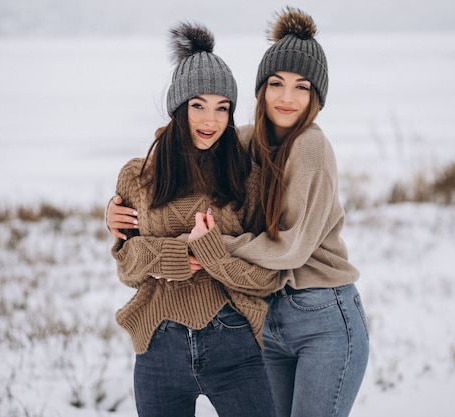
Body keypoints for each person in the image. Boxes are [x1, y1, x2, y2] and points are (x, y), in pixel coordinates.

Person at [107, 8, 369, 417]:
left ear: (316, 96)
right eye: (276, 83)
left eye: (301, 87)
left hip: (321, 311)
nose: (286, 97)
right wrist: (117, 206)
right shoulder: (247, 143)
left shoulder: (311, 150)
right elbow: (193, 143)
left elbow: (288, 251)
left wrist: (204, 250)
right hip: (271, 320)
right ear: (261, 89)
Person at [110, 22, 278, 417]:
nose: (210, 120)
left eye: (222, 108)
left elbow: (268, 276)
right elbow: (127, 268)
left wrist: (212, 255)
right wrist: (174, 255)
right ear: (178, 107)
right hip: (159, 349)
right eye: (198, 105)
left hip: (235, 344)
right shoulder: (138, 176)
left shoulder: (246, 178)